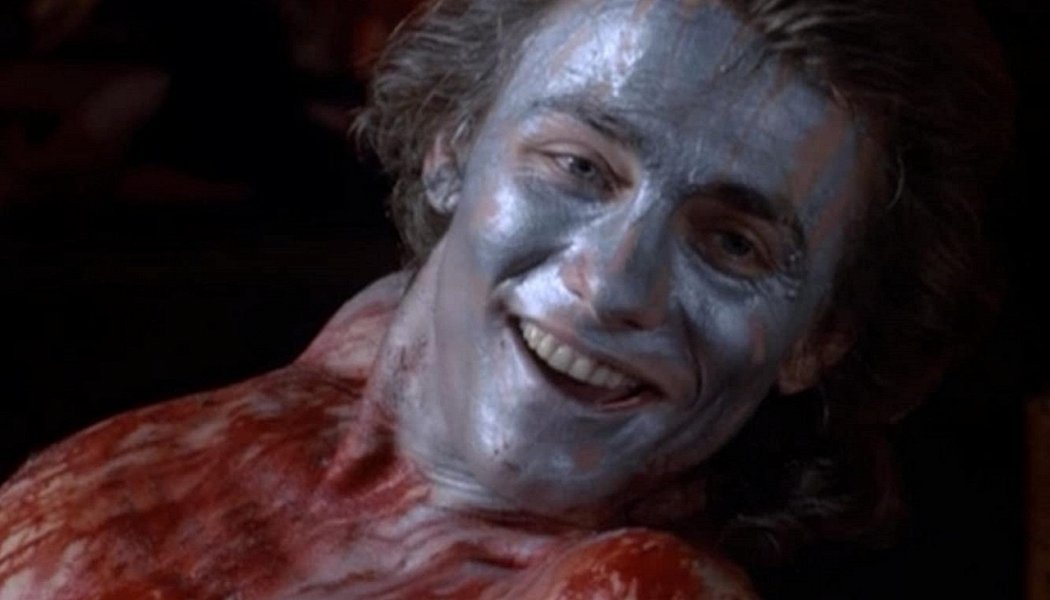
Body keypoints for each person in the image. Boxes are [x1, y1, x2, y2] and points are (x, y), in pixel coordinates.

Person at [0, 0, 1013, 597]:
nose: (612, 284)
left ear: (821, 337)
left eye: (733, 245)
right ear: (452, 147)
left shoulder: (622, 586)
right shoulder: (378, 342)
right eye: (579, 167)